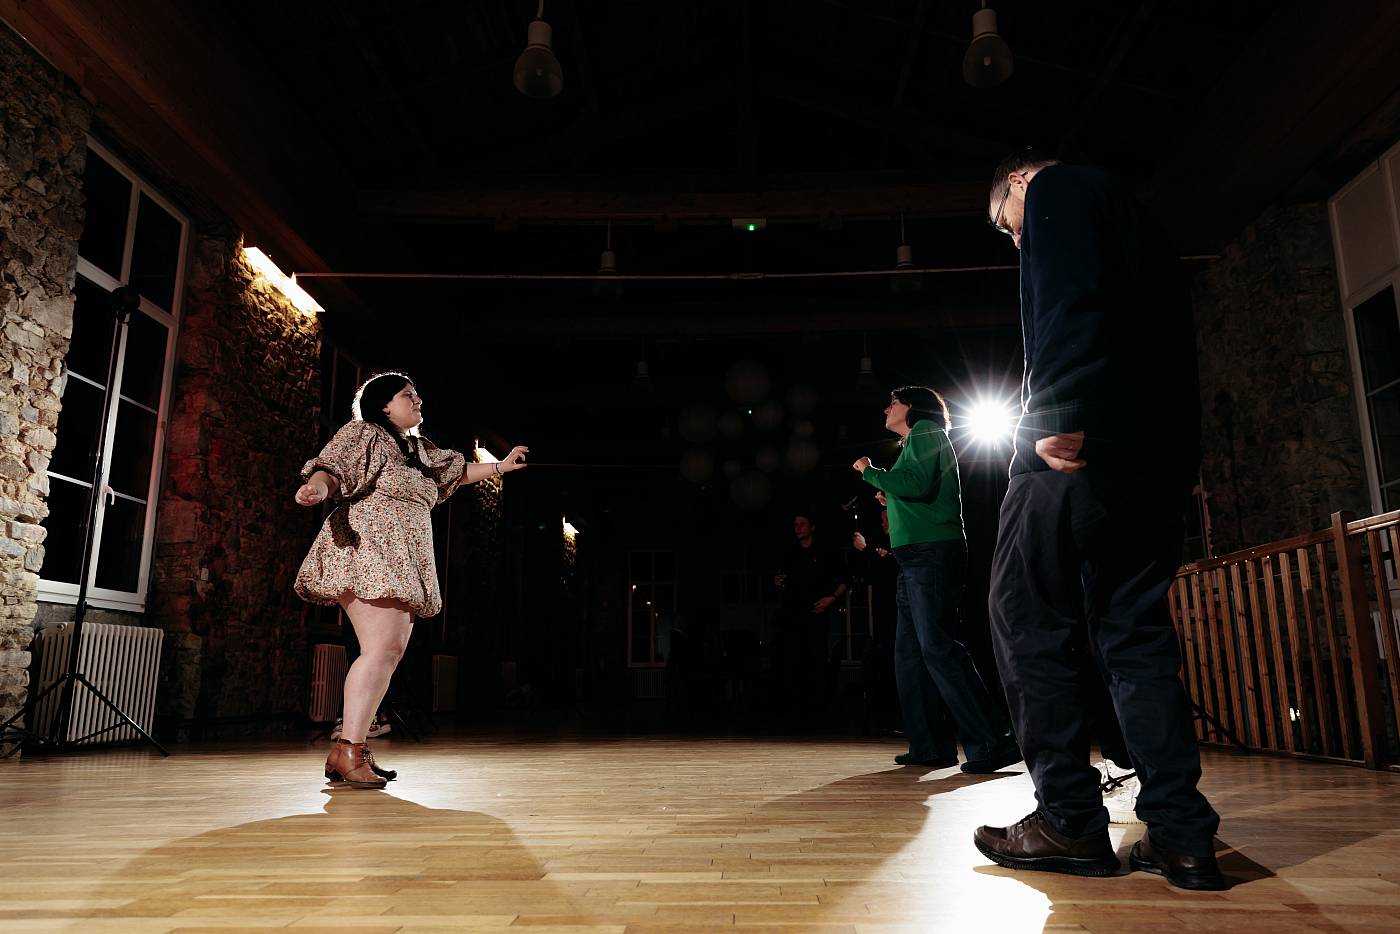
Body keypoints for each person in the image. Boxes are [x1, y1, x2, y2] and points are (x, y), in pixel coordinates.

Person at [971, 150, 1224, 890]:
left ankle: (1071, 823)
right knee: (1135, 635)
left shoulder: (1058, 186)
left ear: (1017, 182)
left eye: (1005, 226)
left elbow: (1063, 299)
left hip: (1078, 450)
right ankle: (1181, 835)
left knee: (1023, 615)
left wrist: (1055, 413)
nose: (1018, 241)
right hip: (1155, 458)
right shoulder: (1138, 221)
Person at [294, 372, 527, 789]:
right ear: (384, 405)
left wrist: (501, 467)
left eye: (417, 393)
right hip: (370, 548)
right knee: (382, 649)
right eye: (408, 395)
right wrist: (316, 487)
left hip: (404, 556)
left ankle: (350, 750)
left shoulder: (417, 449)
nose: (417, 400)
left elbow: (454, 472)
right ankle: (349, 747)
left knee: (389, 651)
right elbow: (333, 468)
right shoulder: (365, 433)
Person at [853, 387, 1020, 772]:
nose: (886, 408)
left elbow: (915, 485)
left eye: (892, 402)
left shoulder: (927, 430)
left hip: (931, 552)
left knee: (939, 648)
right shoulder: (916, 441)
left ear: (911, 406)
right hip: (913, 555)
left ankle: (994, 742)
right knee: (909, 656)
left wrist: (870, 473)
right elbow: (913, 487)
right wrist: (888, 494)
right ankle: (929, 745)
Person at [773, 512, 849, 729]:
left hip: (816, 614)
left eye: (802, 524)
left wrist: (830, 599)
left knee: (816, 661)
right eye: (795, 525)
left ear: (812, 527)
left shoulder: (826, 552)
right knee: (792, 661)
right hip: (792, 615)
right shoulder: (789, 553)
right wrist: (778, 582)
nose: (798, 528)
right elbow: (781, 579)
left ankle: (818, 711)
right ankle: (794, 711)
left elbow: (845, 580)